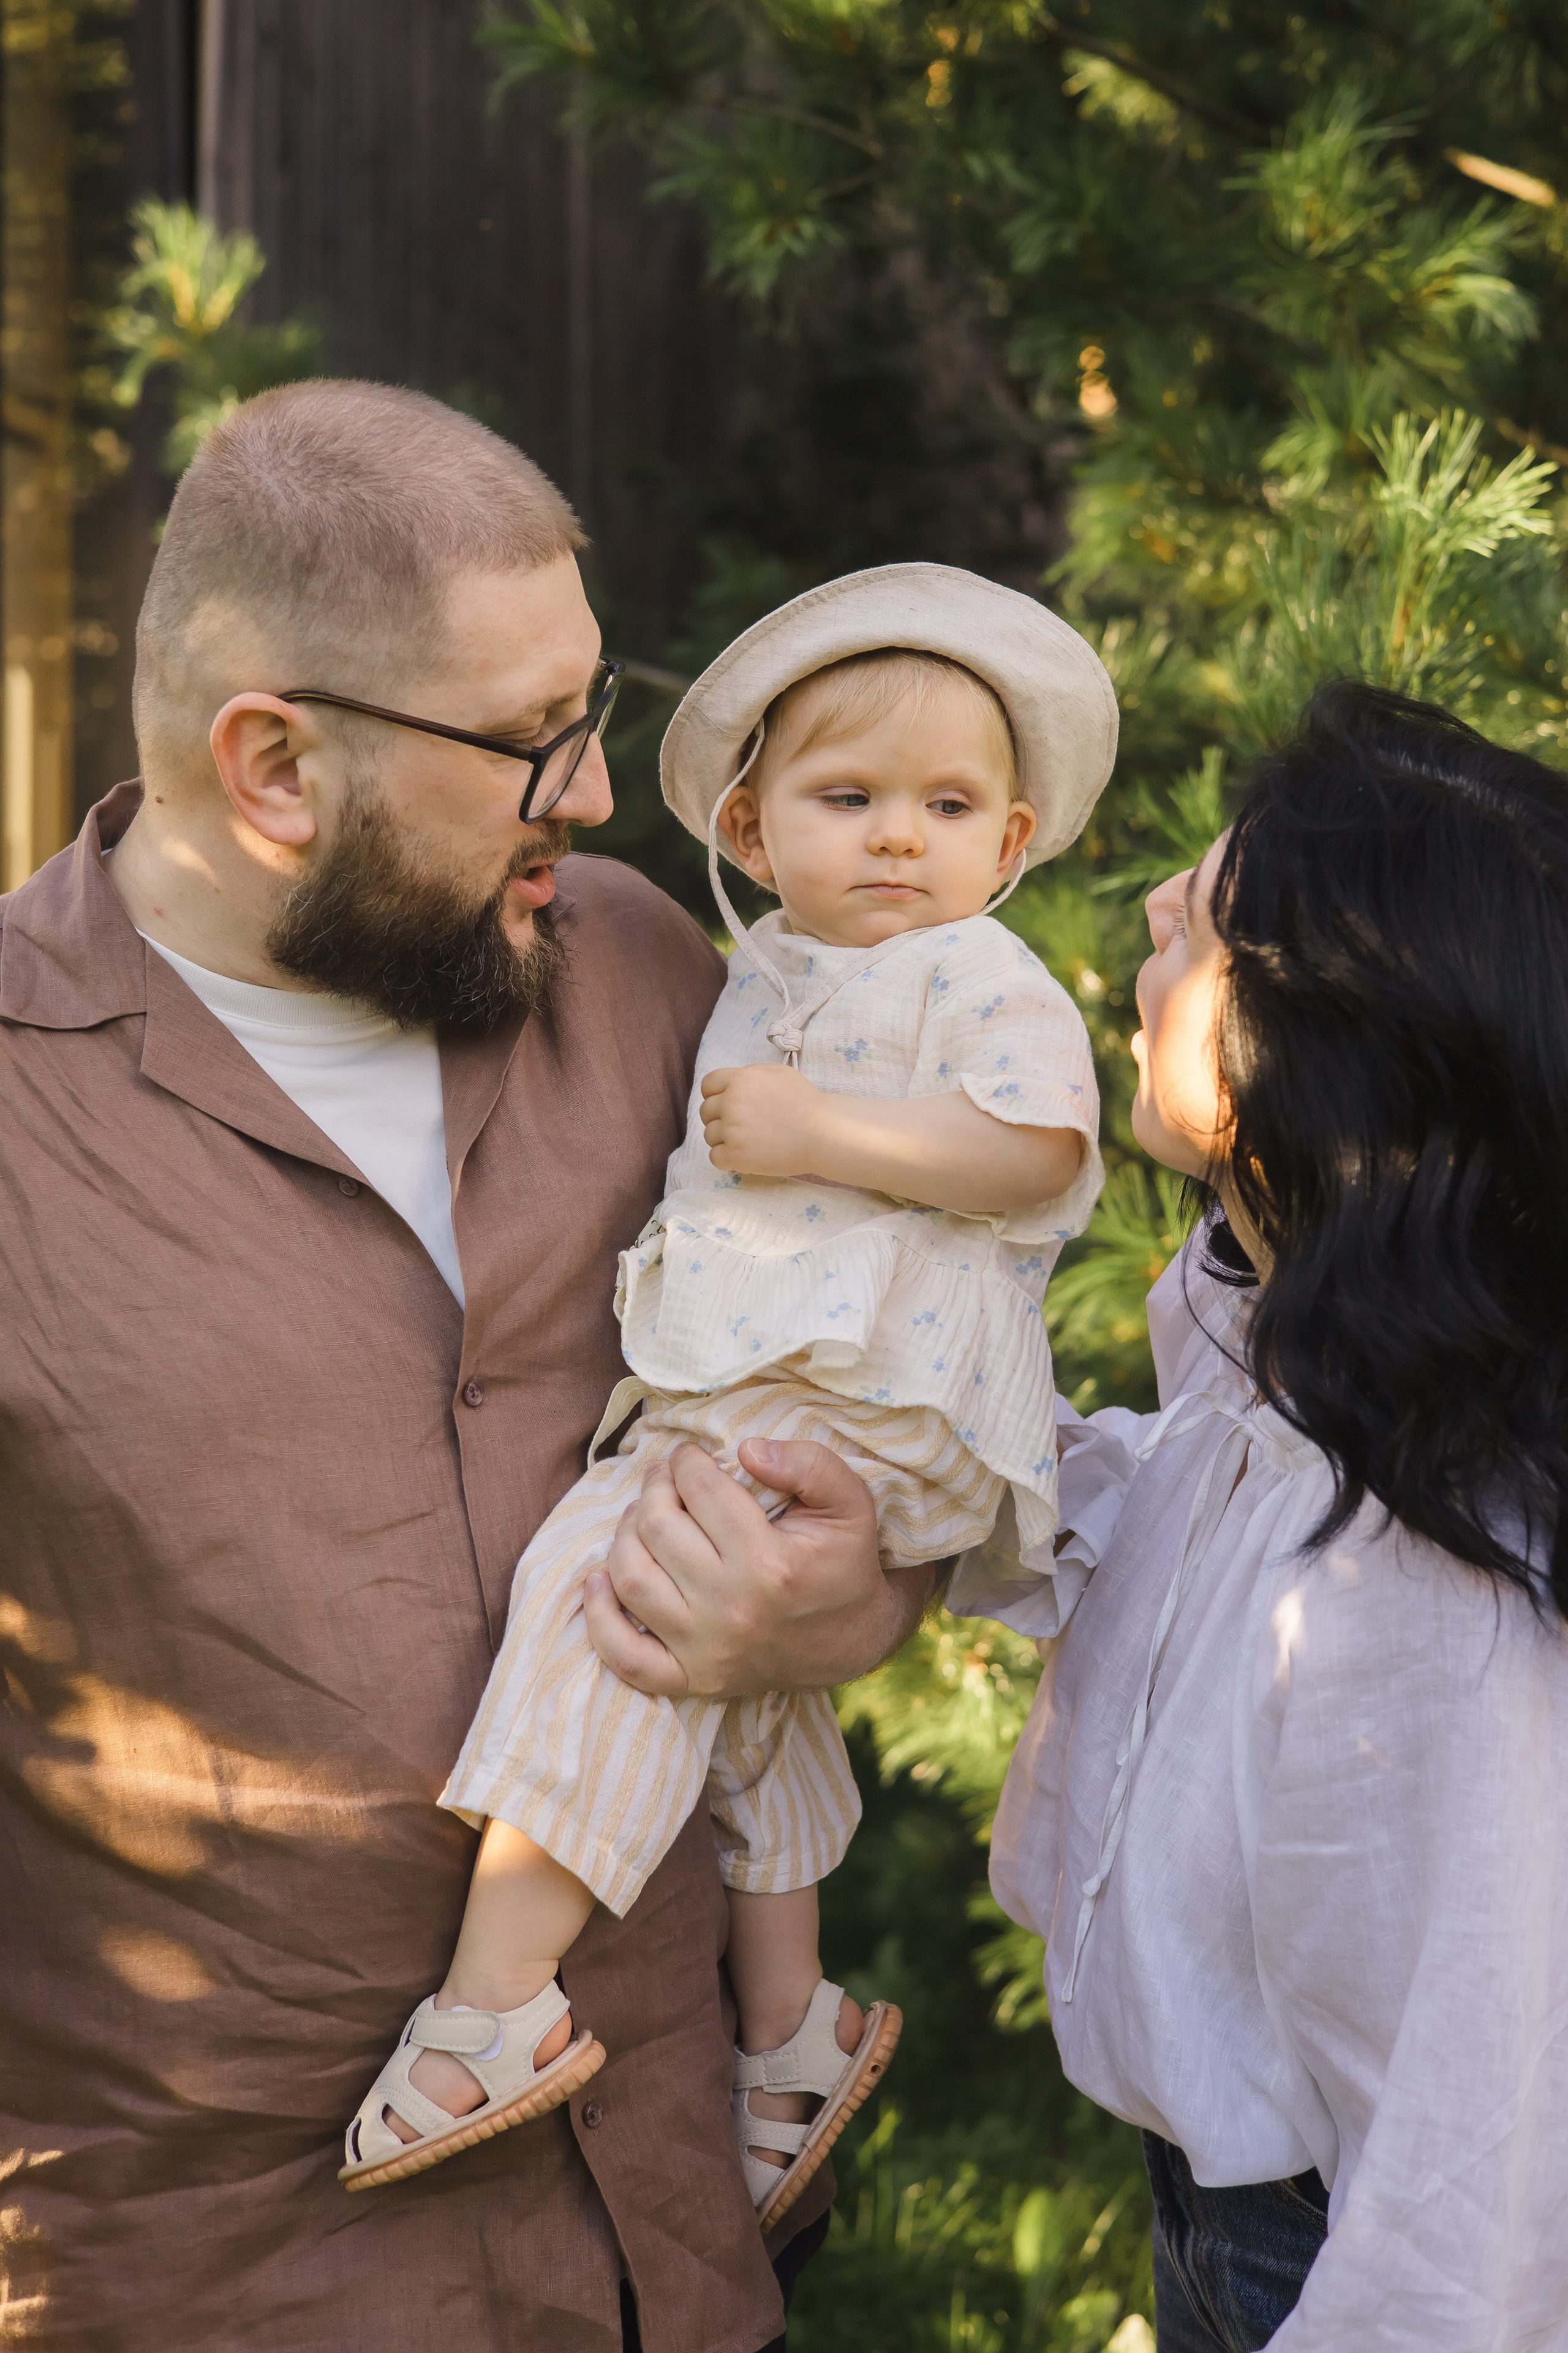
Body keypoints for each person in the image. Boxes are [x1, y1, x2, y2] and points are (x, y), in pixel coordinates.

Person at [0, 379, 937, 2353]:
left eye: (592, 711)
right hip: (225, 2294)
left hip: (678, 2255)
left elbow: (882, 1370)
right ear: (275, 767)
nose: (590, 797)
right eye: (533, 741)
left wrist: (860, 1590)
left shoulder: (657, 978)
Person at [339, 567, 1117, 2225]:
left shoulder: (977, 970)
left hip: (880, 1380)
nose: (900, 839)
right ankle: (791, 2026)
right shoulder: (756, 966)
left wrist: (829, 1132)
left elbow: (1041, 1153)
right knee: (741, 1690)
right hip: (770, 1374)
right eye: (851, 800)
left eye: (948, 807)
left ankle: (496, 2002)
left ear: (1010, 840)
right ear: (755, 833)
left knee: (605, 1590)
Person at [972, 685, 1568, 2347]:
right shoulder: (1303, 1374)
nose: (1157, 907)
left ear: (1329, 1055)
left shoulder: (1436, 1594)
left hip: (1321, 2272)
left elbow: (1468, 2196)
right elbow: (1183, 1544)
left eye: (1214, 919)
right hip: (1224, 2227)